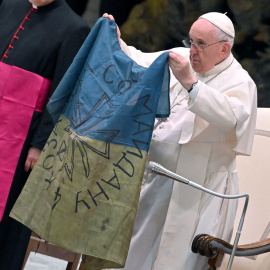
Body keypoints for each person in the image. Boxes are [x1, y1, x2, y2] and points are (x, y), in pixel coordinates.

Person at [102, 12, 257, 270]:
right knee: (134, 254)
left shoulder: (241, 82)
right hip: (156, 180)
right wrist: (117, 40)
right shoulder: (183, 56)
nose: (192, 51)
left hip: (198, 191)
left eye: (200, 44)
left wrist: (190, 83)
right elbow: (140, 62)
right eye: (190, 41)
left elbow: (231, 117)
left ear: (224, 48)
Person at [0, 0, 90, 269]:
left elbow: (63, 91)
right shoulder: (8, 4)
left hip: (23, 136)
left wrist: (40, 144)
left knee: (8, 216)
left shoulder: (74, 28)